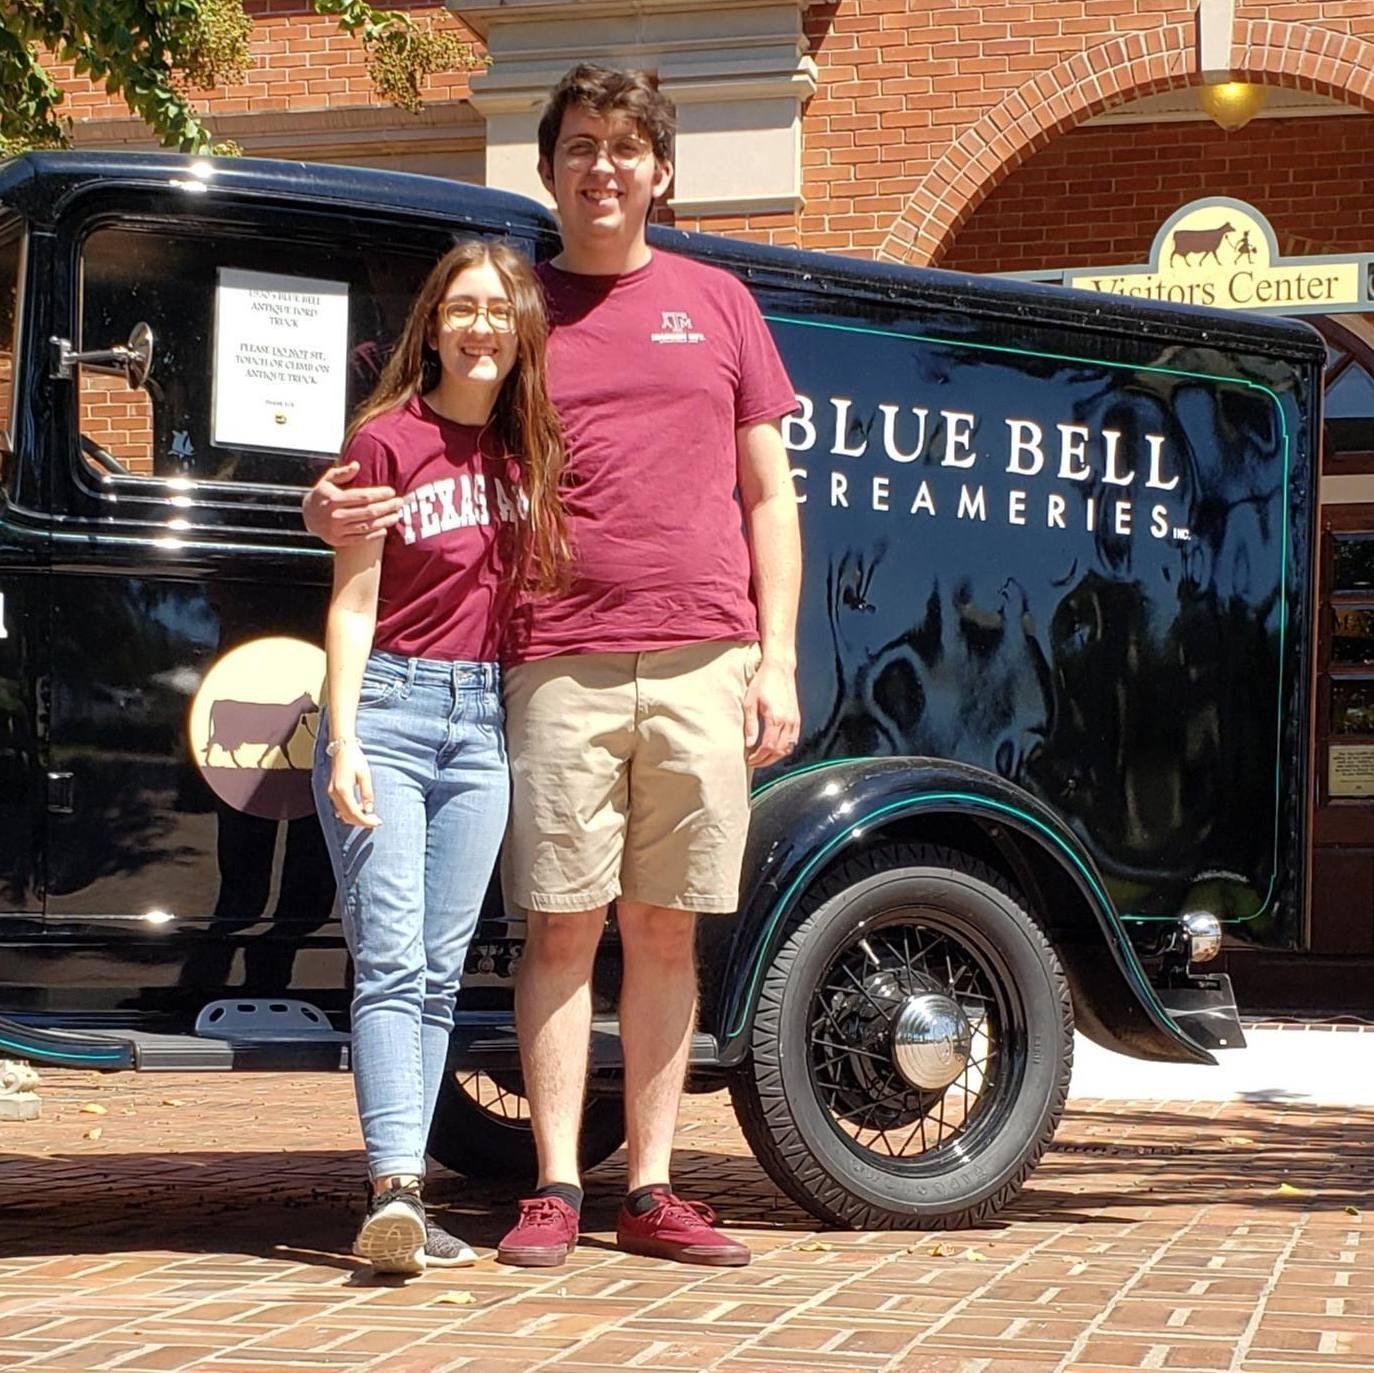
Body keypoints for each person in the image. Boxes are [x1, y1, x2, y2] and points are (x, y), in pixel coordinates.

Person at [304, 64, 802, 1270]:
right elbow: (426, 433)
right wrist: (331, 501)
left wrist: (777, 655)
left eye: (626, 149)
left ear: (661, 171)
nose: (603, 168)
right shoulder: (523, 318)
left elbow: (769, 491)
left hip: (702, 654)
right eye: (580, 146)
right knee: (564, 928)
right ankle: (556, 1184)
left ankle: (655, 1184)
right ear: (549, 169)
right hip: (552, 664)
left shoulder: (719, 300)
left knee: (668, 929)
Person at [312, 238, 568, 1274]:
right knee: (388, 956)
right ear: (433, 323)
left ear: (520, 334)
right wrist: (342, 736)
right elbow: (354, 599)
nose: (479, 326)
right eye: (463, 307)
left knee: (437, 972)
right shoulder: (386, 442)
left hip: (484, 726)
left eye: (499, 310)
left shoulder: (526, 453)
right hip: (391, 706)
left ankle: (408, 1200)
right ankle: (395, 1188)